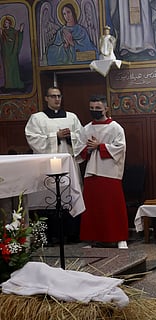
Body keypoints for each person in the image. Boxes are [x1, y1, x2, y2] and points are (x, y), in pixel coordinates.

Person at [25, 86, 83, 244]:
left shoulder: (72, 117)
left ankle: (72, 234)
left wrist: (72, 137)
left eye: (59, 96)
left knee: (69, 196)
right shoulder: (37, 118)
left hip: (68, 164)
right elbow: (32, 138)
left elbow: (82, 137)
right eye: (53, 96)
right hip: (46, 167)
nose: (57, 99)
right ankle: (51, 236)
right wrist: (55, 136)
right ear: (46, 98)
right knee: (48, 198)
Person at [76, 94, 129, 249]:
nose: (94, 111)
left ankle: (120, 238)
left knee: (113, 206)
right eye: (92, 108)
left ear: (106, 108)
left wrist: (100, 146)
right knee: (93, 208)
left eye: (98, 108)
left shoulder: (115, 127)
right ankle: (93, 238)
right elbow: (79, 149)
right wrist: (88, 148)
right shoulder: (86, 129)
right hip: (91, 172)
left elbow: (120, 147)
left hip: (110, 171)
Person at [0, 15, 25, 91]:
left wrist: (20, 30)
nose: (5, 24)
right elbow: (2, 42)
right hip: (6, 53)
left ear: (10, 24)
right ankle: (8, 85)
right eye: (4, 22)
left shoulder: (13, 31)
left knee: (14, 68)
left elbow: (18, 36)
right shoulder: (2, 32)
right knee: (7, 69)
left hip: (13, 53)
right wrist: (0, 34)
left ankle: (15, 84)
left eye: (7, 22)